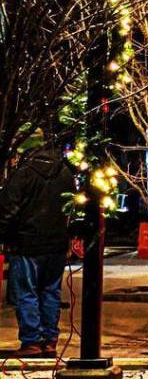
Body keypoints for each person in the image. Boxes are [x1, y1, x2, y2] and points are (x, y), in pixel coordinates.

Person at [0, 128, 75, 358]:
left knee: (26, 292)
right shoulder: (64, 172)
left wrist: (4, 236)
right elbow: (70, 207)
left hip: (27, 243)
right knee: (50, 291)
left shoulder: (23, 172)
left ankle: (32, 340)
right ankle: (50, 339)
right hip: (56, 243)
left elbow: (8, 210)